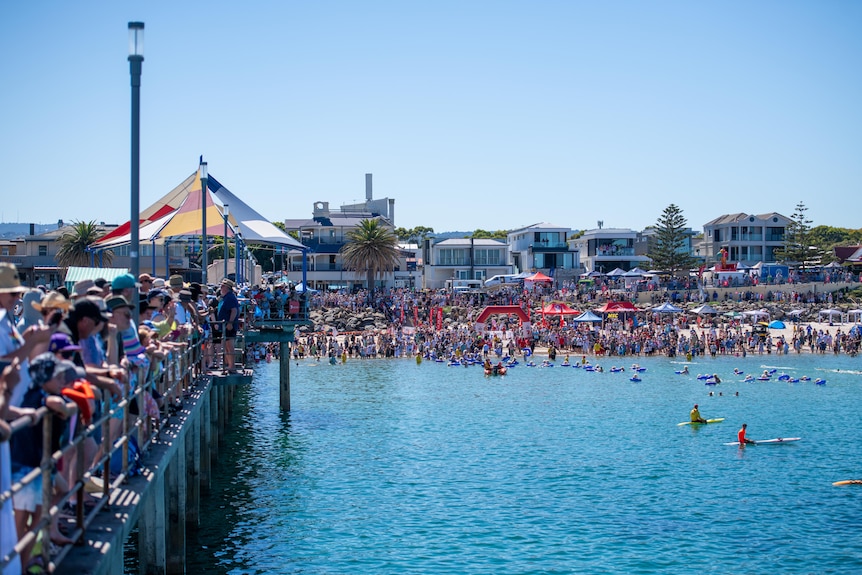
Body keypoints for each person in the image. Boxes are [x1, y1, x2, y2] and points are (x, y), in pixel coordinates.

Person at [217, 279, 240, 373]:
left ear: (227, 288)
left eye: (222, 286)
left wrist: (230, 323)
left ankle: (231, 366)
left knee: (229, 346)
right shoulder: (226, 297)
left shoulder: (230, 297)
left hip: (228, 326)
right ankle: (229, 365)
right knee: (226, 346)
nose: (220, 288)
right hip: (225, 326)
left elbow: (234, 310)